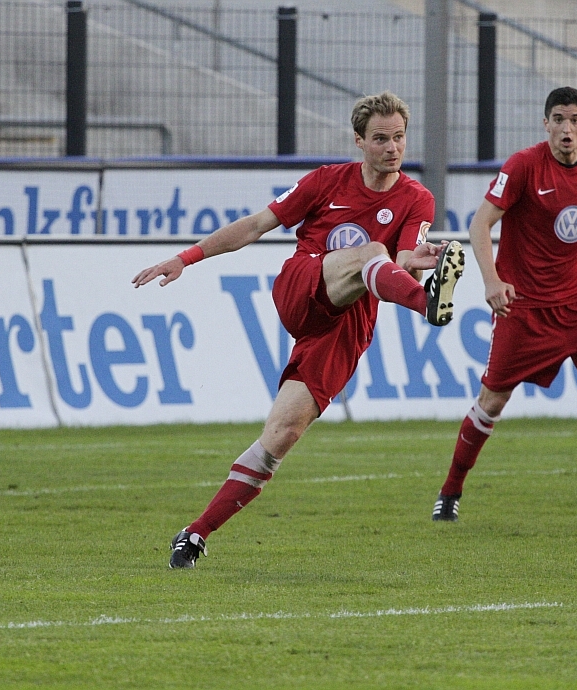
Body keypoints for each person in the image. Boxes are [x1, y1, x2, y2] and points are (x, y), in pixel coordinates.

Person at [133, 91, 465, 568]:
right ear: (359, 141)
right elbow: (255, 226)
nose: (392, 148)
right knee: (373, 252)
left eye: (399, 138)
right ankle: (426, 306)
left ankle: (195, 534)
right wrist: (187, 258)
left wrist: (422, 261)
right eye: (380, 139)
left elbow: (407, 257)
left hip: (347, 322)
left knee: (282, 435)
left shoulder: (417, 198)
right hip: (303, 284)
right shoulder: (327, 181)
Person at [432, 86, 577, 523]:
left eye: (574, 120)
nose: (566, 128)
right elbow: (480, 225)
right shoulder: (523, 166)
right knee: (491, 402)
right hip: (525, 308)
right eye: (558, 119)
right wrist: (493, 280)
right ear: (546, 124)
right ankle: (450, 489)